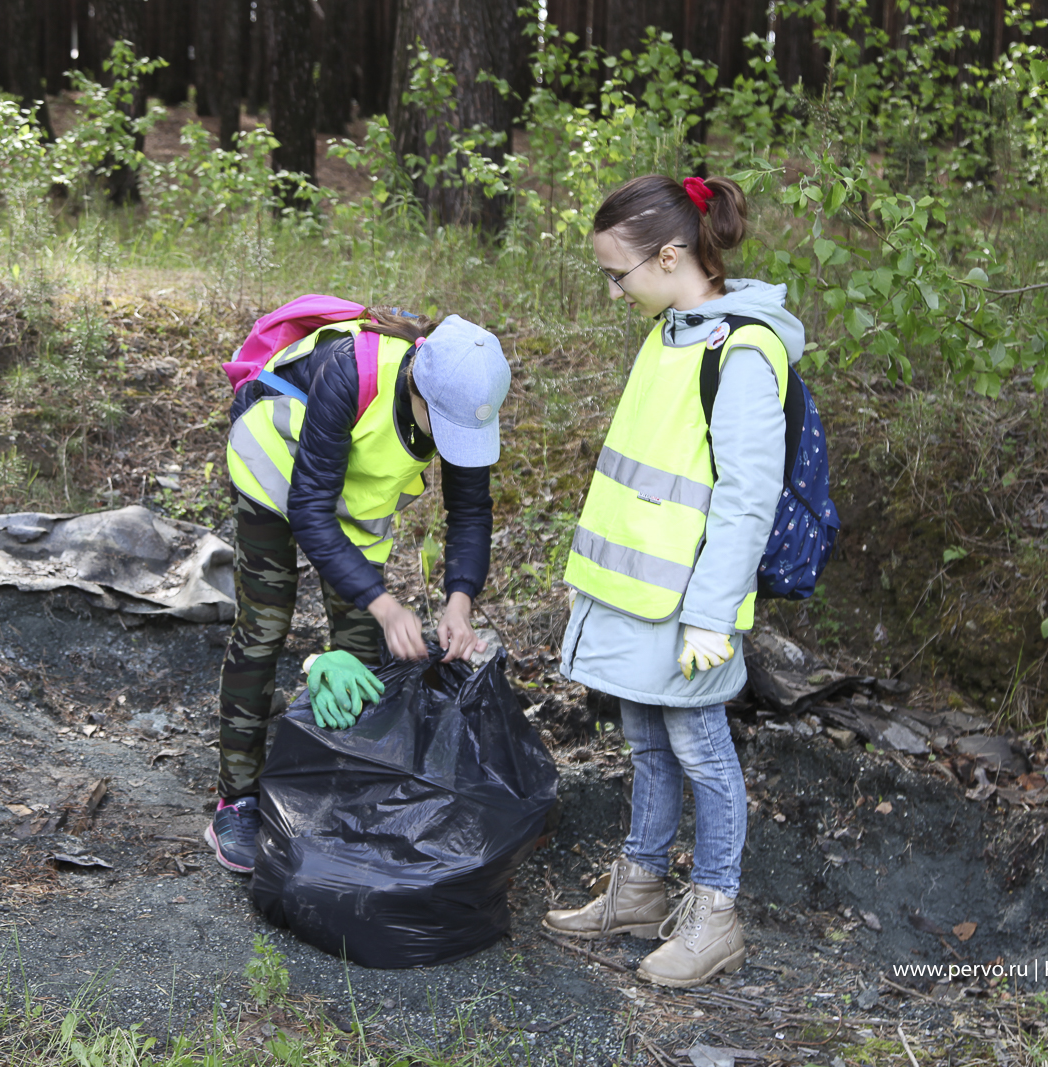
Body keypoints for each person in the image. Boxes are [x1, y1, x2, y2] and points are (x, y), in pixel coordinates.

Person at [545, 174, 806, 988]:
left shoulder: (743, 351)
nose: (612, 290)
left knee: (700, 748)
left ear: (668, 256)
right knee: (647, 741)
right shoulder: (672, 331)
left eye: (616, 274)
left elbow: (746, 499)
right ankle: (641, 887)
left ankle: (716, 915)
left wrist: (711, 615)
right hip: (636, 595)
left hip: (690, 604)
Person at [205, 306, 511, 874]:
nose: (453, 446)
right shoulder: (350, 372)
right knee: (266, 625)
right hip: (274, 468)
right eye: (444, 431)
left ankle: (340, 784)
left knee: (360, 648)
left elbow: (471, 510)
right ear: (417, 388)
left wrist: (459, 602)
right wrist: (386, 604)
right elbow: (309, 511)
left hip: (347, 491)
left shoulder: (461, 399)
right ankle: (237, 798)